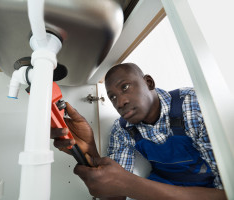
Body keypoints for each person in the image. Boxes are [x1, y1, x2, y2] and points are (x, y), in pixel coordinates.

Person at [50, 63, 226, 200]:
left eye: (125, 87)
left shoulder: (194, 106)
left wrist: (129, 184)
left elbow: (228, 193)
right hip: (159, 188)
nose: (120, 102)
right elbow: (114, 196)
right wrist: (89, 153)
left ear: (148, 82)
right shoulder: (122, 130)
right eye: (112, 97)